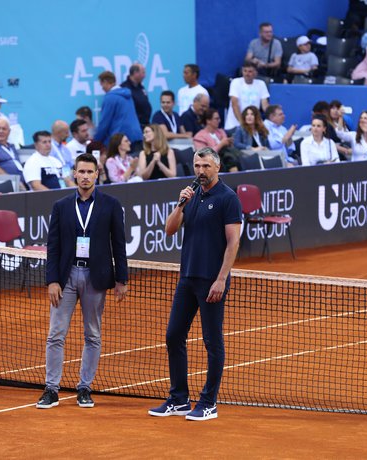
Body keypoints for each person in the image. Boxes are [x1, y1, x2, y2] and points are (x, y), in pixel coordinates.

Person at [148, 147, 242, 421]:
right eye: (197, 166)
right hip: (187, 278)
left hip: (212, 281)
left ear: (217, 167)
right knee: (173, 336)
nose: (200, 171)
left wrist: (221, 279)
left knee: (212, 342)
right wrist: (181, 205)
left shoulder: (228, 199)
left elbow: (233, 242)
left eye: (205, 166)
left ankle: (209, 402)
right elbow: (169, 229)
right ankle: (178, 399)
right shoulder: (191, 195)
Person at [36, 152, 128, 410]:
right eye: (81, 172)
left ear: (97, 174)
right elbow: (52, 246)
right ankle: (51, 389)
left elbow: (118, 244)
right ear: (74, 173)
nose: (86, 176)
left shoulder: (111, 204)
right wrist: (52, 280)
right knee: (55, 334)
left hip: (95, 277)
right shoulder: (61, 206)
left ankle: (84, 388)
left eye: (90, 172)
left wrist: (122, 278)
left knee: (93, 335)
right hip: (65, 278)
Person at [93, 71, 143, 149]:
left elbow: (104, 123)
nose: (102, 88)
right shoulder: (128, 96)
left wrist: (95, 142)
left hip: (121, 140)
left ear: (105, 82)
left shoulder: (110, 97)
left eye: (101, 85)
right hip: (137, 136)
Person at [224, 61, 270, 130]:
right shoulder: (235, 82)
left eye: (250, 71)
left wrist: (272, 114)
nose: (247, 74)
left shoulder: (261, 84)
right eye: (245, 71)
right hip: (235, 126)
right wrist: (243, 124)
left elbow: (265, 105)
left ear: (256, 73)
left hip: (253, 126)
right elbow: (234, 104)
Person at [193, 108, 240, 172]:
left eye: (219, 118)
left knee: (232, 158)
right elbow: (204, 156)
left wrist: (228, 143)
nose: (219, 121)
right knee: (228, 160)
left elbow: (227, 148)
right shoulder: (199, 137)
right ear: (208, 121)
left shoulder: (221, 132)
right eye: (216, 119)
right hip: (211, 164)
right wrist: (221, 144)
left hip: (227, 159)